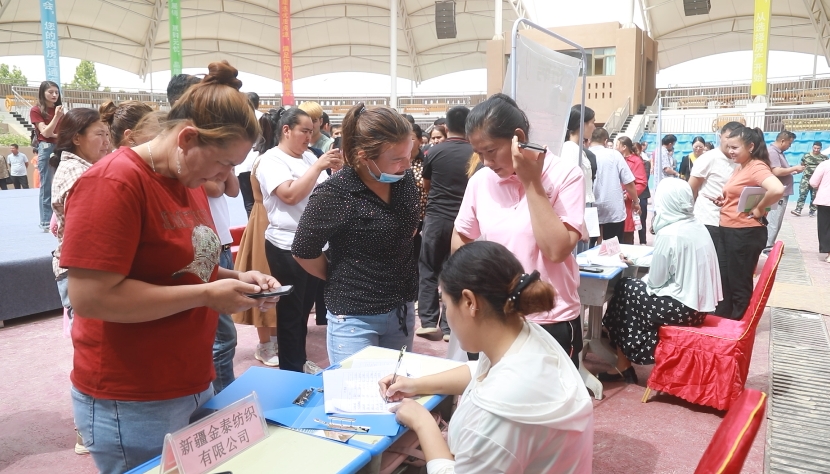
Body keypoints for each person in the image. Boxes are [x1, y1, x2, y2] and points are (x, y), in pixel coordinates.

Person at [61, 61, 279, 474]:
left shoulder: (186, 179)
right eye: (223, 163)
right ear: (187, 139)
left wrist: (235, 279)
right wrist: (206, 293)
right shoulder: (114, 183)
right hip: (133, 394)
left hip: (190, 378)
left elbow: (182, 269)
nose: (225, 177)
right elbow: (90, 298)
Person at [380, 241, 594, 473]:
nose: (447, 316)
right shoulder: (522, 335)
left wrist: (423, 423)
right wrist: (415, 384)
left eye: (446, 305)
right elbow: (480, 371)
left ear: (469, 302)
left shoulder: (498, 409)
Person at [452, 93, 586, 367]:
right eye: (479, 153)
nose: (486, 162)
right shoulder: (481, 181)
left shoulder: (566, 175)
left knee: (547, 393)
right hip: (493, 318)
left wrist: (531, 181)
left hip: (548, 318)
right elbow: (461, 240)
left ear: (518, 137)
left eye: (491, 151)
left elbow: (556, 250)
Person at [292, 103, 418, 364]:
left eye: (409, 154)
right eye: (397, 159)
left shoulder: (404, 182)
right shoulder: (335, 193)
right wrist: (340, 276)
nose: (407, 165)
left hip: (401, 309)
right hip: (354, 315)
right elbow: (304, 250)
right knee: (357, 388)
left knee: (397, 385)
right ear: (364, 157)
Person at [599, 179, 722, 384]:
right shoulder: (695, 225)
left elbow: (656, 282)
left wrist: (641, 276)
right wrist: (637, 261)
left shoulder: (669, 233)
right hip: (699, 307)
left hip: (683, 309)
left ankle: (618, 351)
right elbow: (672, 261)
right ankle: (616, 346)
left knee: (625, 289)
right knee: (629, 293)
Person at [48, 108, 111, 455]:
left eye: (108, 134)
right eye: (99, 134)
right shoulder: (77, 174)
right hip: (81, 272)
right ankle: (85, 430)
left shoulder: (86, 168)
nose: (106, 142)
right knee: (93, 350)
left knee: (95, 348)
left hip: (83, 270)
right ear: (76, 139)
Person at [261, 107, 342, 373]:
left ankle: (299, 360)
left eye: (312, 130)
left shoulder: (308, 156)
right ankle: (291, 370)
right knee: (290, 313)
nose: (309, 136)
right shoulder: (272, 160)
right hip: (286, 244)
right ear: (286, 130)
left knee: (304, 309)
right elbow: (290, 195)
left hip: (315, 243)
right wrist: (318, 166)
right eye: (304, 131)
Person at [712, 127, 784, 319]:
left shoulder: (756, 166)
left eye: (735, 147)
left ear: (750, 146)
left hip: (744, 233)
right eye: (728, 147)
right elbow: (741, 194)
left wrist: (760, 209)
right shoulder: (741, 166)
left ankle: (739, 323)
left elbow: (777, 189)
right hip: (728, 229)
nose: (730, 151)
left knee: (739, 282)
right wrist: (725, 200)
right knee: (725, 279)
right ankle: (723, 318)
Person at [417, 106, 471, 342]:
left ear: (446, 127)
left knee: (428, 268)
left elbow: (426, 185)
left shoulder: (434, 151)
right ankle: (449, 327)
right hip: (464, 222)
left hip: (436, 218)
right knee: (456, 271)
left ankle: (429, 322)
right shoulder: (475, 153)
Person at [233, 109, 281, 366]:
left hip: (270, 220)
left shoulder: (272, 158)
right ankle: (265, 344)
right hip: (265, 221)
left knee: (276, 282)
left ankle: (273, 341)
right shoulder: (266, 160)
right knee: (264, 282)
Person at [688, 122, 742, 280]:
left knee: (724, 270)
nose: (731, 143)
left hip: (731, 222)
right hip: (709, 221)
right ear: (720, 137)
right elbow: (691, 189)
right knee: (707, 269)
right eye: (728, 138)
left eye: (736, 139)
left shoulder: (740, 160)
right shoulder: (708, 159)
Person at [589, 128, 640, 245]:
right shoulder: (614, 154)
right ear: (605, 141)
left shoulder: (584, 154)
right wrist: (636, 201)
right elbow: (629, 182)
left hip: (591, 208)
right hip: (613, 209)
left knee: (588, 248)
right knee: (613, 248)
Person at [561, 105, 597, 253]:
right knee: (579, 255)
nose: (594, 127)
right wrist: (580, 221)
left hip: (584, 208)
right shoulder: (570, 150)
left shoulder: (577, 149)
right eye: (592, 122)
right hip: (578, 209)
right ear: (582, 124)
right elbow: (570, 188)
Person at [30, 80, 64, 230]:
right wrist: (56, 117)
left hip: (61, 147)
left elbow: (63, 133)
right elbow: (45, 133)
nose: (54, 95)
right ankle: (45, 221)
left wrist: (56, 134)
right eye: (50, 92)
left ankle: (60, 218)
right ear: (42, 93)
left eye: (56, 92)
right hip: (47, 148)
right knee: (47, 185)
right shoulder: (36, 110)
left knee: (62, 183)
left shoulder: (60, 110)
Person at [765, 130, 802, 248]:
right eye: (789, 143)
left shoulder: (778, 152)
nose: (790, 146)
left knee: (776, 220)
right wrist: (793, 168)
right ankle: (767, 246)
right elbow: (776, 171)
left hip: (781, 192)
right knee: (774, 221)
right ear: (782, 141)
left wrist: (791, 171)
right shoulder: (773, 152)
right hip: (778, 193)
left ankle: (769, 243)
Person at [234, 93, 265, 217]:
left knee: (248, 202)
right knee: (262, 200)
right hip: (260, 160)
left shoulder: (239, 117)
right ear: (258, 103)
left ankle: (252, 225)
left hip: (242, 162)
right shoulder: (263, 117)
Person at [616, 137, 647, 245]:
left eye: (617, 145)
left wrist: (629, 195)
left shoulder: (636, 161)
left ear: (624, 147)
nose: (615, 147)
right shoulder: (616, 159)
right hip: (614, 203)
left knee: (626, 237)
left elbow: (641, 183)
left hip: (628, 204)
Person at [793, 141, 828, 217]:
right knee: (802, 194)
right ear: (812, 147)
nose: (816, 150)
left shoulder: (824, 158)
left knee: (814, 195)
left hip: (817, 179)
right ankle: (798, 209)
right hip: (806, 178)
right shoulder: (806, 156)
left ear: (821, 148)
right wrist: (796, 171)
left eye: (818, 148)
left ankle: (812, 210)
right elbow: (802, 165)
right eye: (815, 148)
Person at [809, 158, 830, 262]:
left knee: (825, 227)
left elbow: (813, 182)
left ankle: (829, 253)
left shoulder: (825, 164)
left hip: (825, 200)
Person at [634, 142, 651, 244]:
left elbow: (645, 179)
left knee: (642, 218)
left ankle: (643, 241)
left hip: (642, 194)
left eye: (637, 150)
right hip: (630, 194)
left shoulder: (645, 163)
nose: (635, 152)